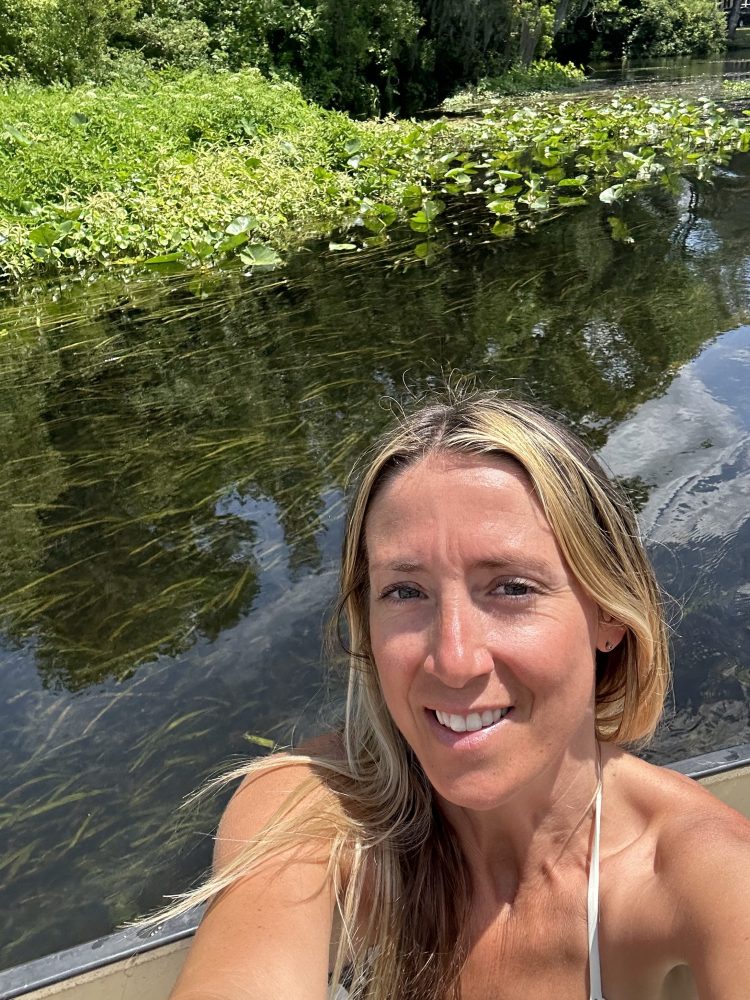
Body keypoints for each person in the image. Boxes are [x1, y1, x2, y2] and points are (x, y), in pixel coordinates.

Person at [166, 392, 750, 1000]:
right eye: (405, 592)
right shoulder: (313, 814)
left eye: (511, 588)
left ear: (608, 613)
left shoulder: (702, 876)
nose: (453, 659)